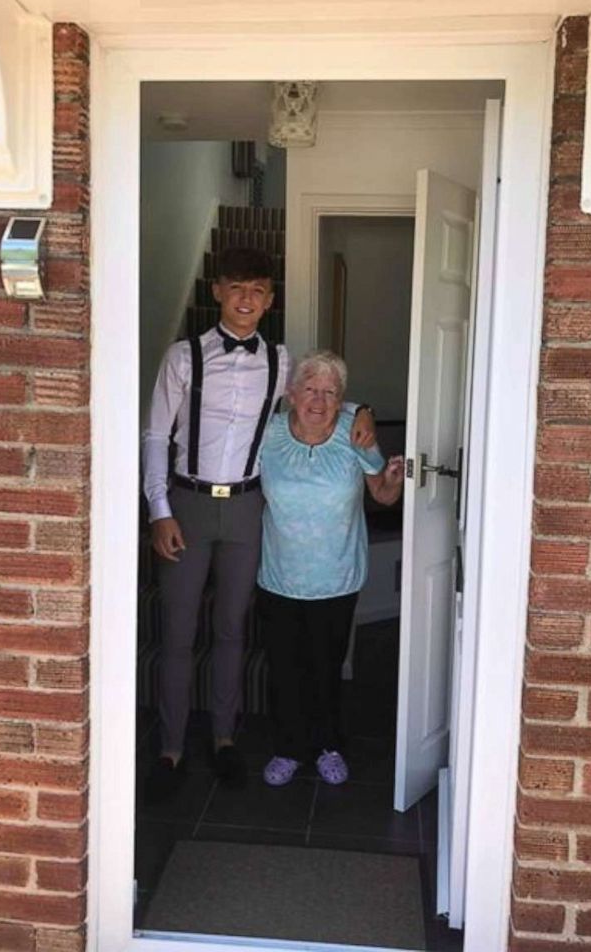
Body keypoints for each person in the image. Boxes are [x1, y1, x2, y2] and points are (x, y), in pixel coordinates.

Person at [142, 247, 375, 795]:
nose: (247, 299)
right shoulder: (183, 357)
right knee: (177, 633)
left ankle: (224, 741)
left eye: (258, 290)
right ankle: (171, 748)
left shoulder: (280, 361)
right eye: (236, 287)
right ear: (218, 291)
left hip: (248, 508)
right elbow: (155, 435)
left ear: (269, 300)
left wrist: (359, 408)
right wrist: (158, 510)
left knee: (231, 631)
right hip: (188, 503)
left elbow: (318, 396)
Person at [256, 350, 404, 787]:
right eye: (310, 389)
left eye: (330, 392)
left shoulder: (353, 434)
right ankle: (288, 748)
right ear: (291, 393)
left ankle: (327, 746)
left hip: (335, 577)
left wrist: (392, 480)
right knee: (284, 668)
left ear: (342, 400)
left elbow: (382, 493)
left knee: (326, 666)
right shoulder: (268, 435)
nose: (318, 401)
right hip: (280, 575)